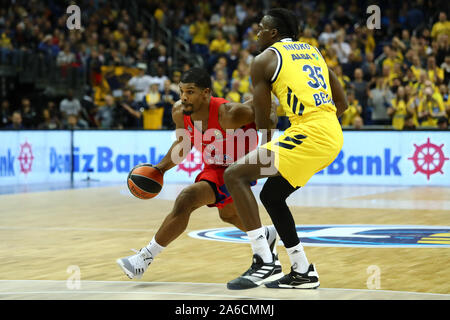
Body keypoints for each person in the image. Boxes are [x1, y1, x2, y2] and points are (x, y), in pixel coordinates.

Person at [223, 8, 348, 290]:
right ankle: (303, 270)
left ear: (274, 33)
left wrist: (264, 149)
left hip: (309, 132)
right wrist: (318, 125)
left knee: (234, 175)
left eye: (261, 29)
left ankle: (264, 260)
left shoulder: (264, 60)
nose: (257, 34)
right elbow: (343, 103)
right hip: (329, 131)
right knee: (273, 196)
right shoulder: (313, 52)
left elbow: (265, 117)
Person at [116, 67, 279, 280]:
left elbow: (268, 110)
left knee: (187, 198)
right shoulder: (178, 112)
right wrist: (160, 169)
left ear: (206, 93)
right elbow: (184, 143)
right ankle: (265, 235)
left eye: (190, 91)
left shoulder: (229, 114)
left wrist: (265, 152)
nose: (184, 97)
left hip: (238, 170)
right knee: (228, 214)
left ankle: (143, 259)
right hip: (214, 167)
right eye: (181, 91)